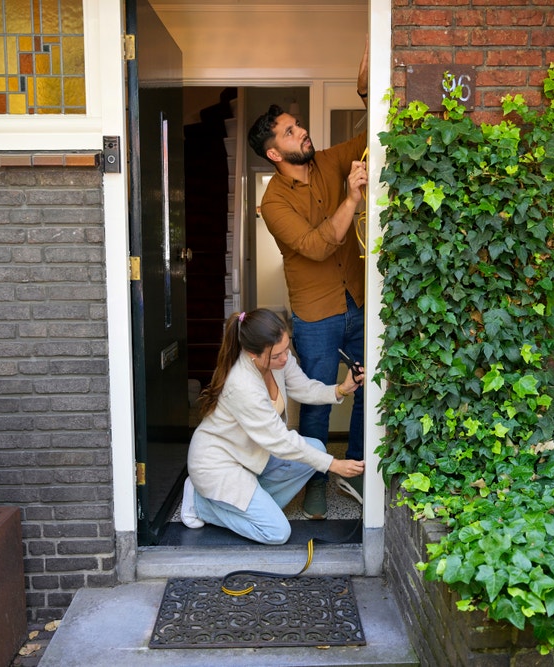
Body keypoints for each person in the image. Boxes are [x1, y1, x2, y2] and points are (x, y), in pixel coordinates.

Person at [246, 41, 369, 519]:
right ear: (275, 152)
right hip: (316, 313)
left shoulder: (330, 162)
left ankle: (355, 474)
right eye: (292, 132)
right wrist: (351, 201)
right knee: (317, 400)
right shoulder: (273, 202)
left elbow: (371, 140)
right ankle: (317, 478)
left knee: (367, 387)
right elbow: (319, 246)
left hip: (358, 300)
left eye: (298, 126)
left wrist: (366, 92)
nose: (303, 133)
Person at [181, 309, 365, 545]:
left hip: (251, 456)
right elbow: (280, 441)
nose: (286, 358)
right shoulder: (242, 384)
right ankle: (200, 502)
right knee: (277, 532)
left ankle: (243, 502)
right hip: (218, 464)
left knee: (316, 448)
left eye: (287, 348)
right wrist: (334, 464)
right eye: (277, 355)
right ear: (252, 354)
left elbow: (303, 388)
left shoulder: (278, 360)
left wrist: (340, 389)